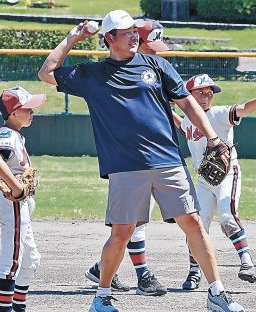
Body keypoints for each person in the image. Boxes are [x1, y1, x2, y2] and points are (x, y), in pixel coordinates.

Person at [38, 9, 244, 312]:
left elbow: (187, 104)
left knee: (195, 224)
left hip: (167, 160)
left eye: (135, 30)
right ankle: (102, 297)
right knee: (121, 233)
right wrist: (73, 37)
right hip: (125, 165)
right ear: (109, 38)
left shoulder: (156, 65)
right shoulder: (92, 74)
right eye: (126, 32)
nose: (134, 35)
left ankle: (216, 292)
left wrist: (213, 137)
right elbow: (46, 72)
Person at [85, 19, 170, 297]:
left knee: (134, 222)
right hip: (128, 156)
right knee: (132, 222)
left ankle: (104, 267)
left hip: (150, 153)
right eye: (149, 45)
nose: (154, 52)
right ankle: (141, 274)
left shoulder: (151, 68)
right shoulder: (117, 70)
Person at [171, 74, 256, 290]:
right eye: (201, 92)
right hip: (203, 180)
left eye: (209, 93)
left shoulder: (219, 114)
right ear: (189, 95)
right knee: (197, 226)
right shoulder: (189, 120)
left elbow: (243, 108)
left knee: (227, 216)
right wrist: (163, 104)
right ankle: (194, 272)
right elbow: (180, 123)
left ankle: (246, 261)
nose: (207, 96)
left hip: (227, 175)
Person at [0, 86, 45, 312]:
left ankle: (18, 306)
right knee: (12, 261)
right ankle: (4, 309)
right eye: (27, 108)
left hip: (19, 206)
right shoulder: (6, 135)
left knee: (31, 259)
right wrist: (17, 188)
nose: (32, 112)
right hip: (12, 204)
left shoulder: (15, 135)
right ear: (13, 113)